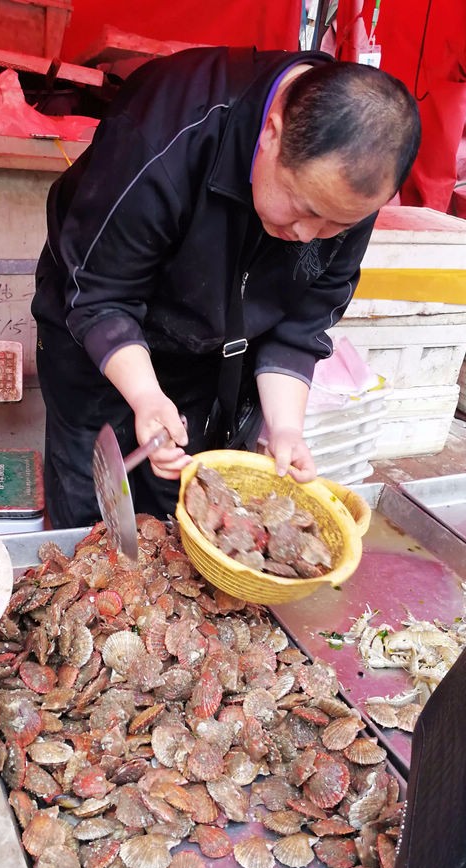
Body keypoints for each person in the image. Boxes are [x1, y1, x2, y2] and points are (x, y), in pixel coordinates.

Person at [32, 47, 420, 530]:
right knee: (92, 509)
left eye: (335, 226)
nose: (307, 235)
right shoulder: (165, 131)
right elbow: (100, 291)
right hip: (99, 332)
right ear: (272, 134)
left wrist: (285, 427)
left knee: (183, 507)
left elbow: (304, 320)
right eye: (301, 208)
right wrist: (147, 396)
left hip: (214, 346)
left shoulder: (350, 189)